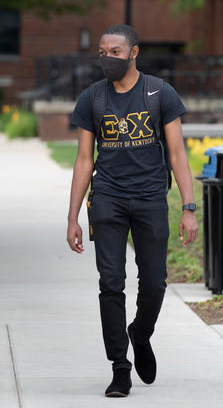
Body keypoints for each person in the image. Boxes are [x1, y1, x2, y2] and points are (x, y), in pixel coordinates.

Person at [66, 25, 198, 397]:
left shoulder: (159, 93)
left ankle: (140, 333)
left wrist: (188, 207)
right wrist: (72, 216)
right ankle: (119, 366)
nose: (107, 58)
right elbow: (83, 160)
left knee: (154, 282)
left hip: (151, 198)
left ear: (134, 53)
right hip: (107, 197)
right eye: (102, 51)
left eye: (115, 52)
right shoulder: (92, 98)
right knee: (111, 283)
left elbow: (177, 155)